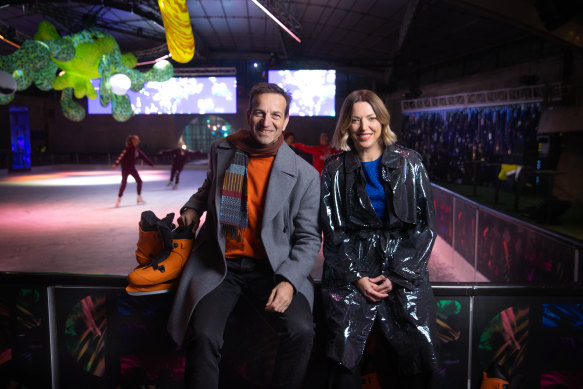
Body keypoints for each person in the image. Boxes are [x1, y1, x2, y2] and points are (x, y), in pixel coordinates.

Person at [167, 83, 322, 389]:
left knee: (302, 331)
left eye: (276, 115)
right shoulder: (223, 150)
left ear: (286, 121)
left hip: (272, 268)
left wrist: (289, 282)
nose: (267, 121)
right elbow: (208, 188)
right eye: (260, 113)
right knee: (204, 336)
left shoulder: (305, 175)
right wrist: (192, 209)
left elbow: (308, 239)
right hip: (221, 265)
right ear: (249, 115)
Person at [319, 90, 438, 389]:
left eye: (371, 118)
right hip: (351, 270)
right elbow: (333, 232)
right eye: (356, 120)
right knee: (343, 357)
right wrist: (357, 277)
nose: (364, 127)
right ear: (346, 125)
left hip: (402, 268)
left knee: (417, 356)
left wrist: (397, 274)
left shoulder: (411, 163)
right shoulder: (333, 170)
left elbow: (425, 227)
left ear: (382, 122)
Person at [112, 134, 155, 207]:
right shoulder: (128, 148)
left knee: (139, 181)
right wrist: (116, 163)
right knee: (124, 183)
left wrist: (151, 164)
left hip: (132, 168)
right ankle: (119, 199)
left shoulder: (137, 149)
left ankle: (139, 197)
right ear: (133, 140)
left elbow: (143, 157)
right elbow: (121, 156)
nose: (138, 141)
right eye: (137, 139)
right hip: (125, 169)